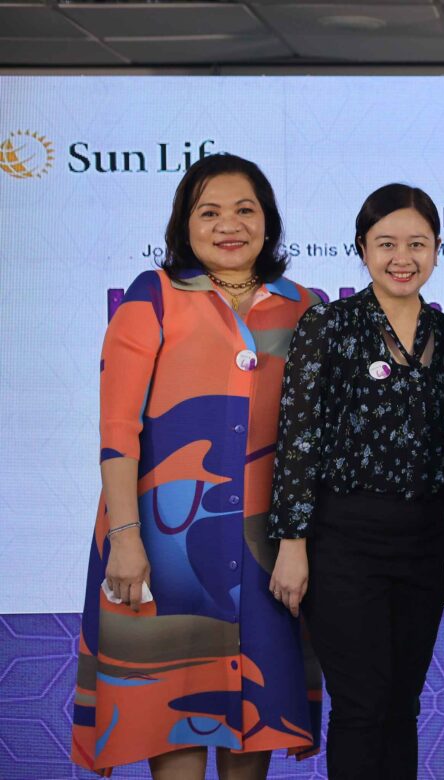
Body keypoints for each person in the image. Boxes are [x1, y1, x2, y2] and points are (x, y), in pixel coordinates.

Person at [72, 154, 321, 777]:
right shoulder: (152, 295)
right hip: (164, 547)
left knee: (252, 732)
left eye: (245, 210)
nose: (228, 224)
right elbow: (117, 431)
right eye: (209, 212)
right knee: (171, 719)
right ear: (185, 224)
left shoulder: (306, 306)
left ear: (269, 222)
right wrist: (126, 539)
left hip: (270, 553)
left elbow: (317, 438)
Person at [267, 183, 444, 779]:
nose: (401, 258)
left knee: (402, 706)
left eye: (417, 243)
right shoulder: (328, 325)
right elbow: (299, 438)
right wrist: (292, 543)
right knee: (362, 705)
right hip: (343, 543)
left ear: (438, 249)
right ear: (362, 248)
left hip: (425, 543)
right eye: (386, 243)